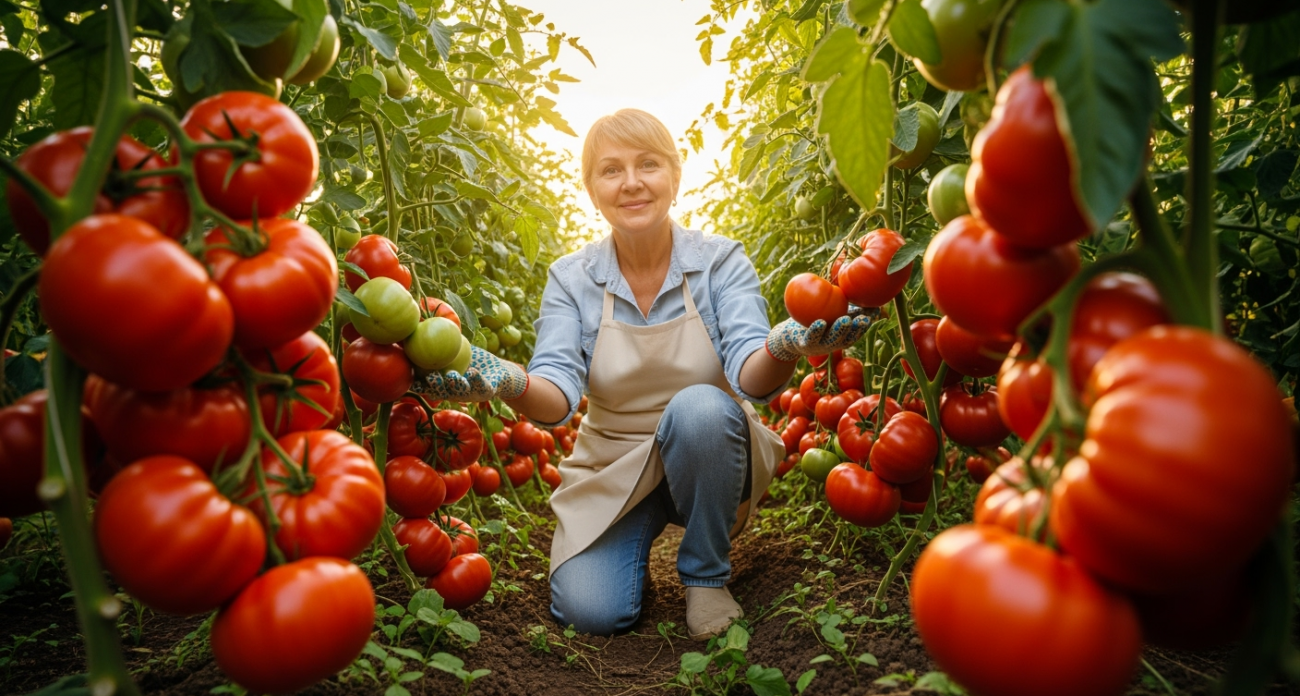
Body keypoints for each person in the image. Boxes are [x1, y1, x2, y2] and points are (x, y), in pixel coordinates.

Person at [424, 109, 868, 640]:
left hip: (710, 452)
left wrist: (783, 345)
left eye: (648, 164)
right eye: (611, 170)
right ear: (592, 190)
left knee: (700, 406)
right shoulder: (570, 279)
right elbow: (558, 394)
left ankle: (706, 576)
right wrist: (508, 381)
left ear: (675, 177)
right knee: (591, 611)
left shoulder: (720, 261)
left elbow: (751, 377)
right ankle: (632, 555)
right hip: (612, 465)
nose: (631, 182)